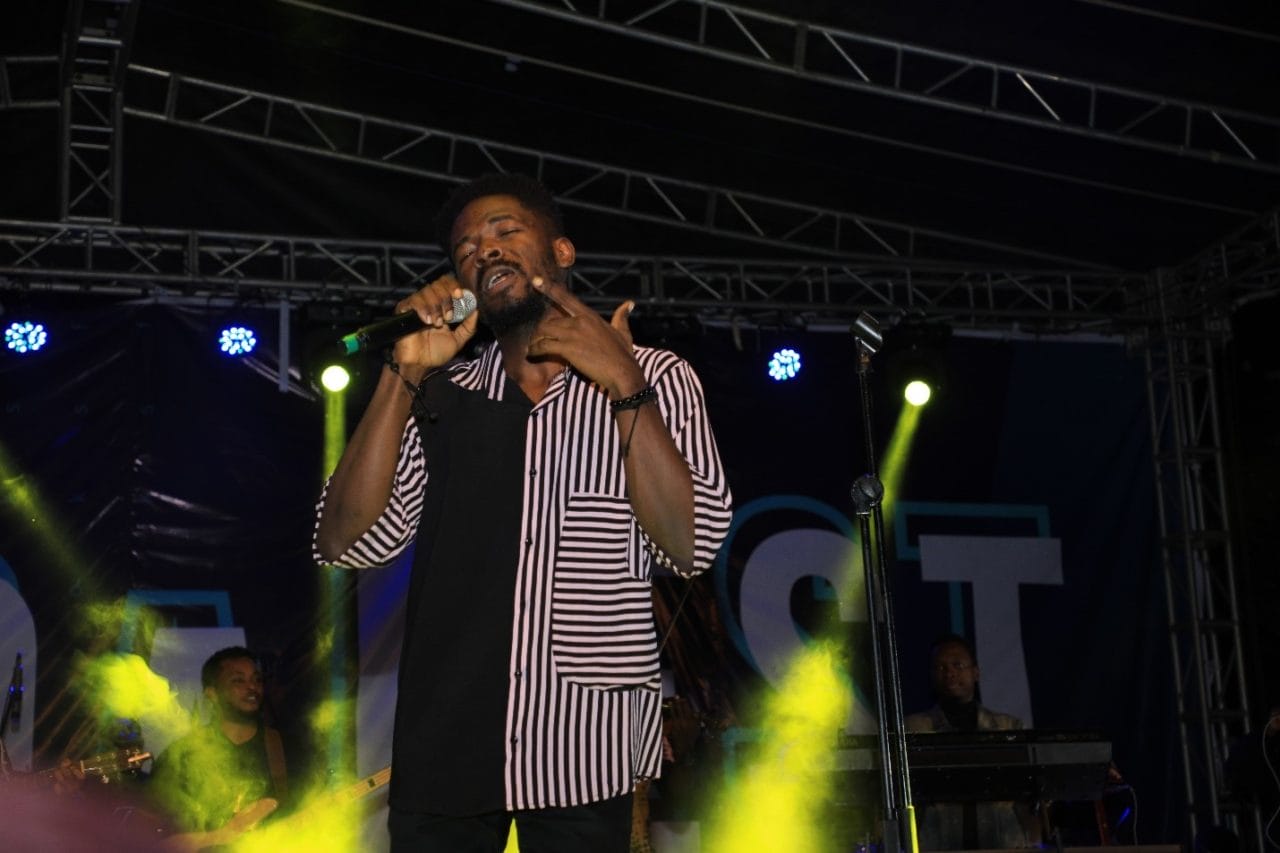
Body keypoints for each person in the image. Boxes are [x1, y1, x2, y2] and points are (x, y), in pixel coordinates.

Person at [313, 172, 733, 852]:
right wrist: (403, 373)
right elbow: (343, 541)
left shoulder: (655, 375)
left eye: (505, 231)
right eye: (465, 250)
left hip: (583, 751)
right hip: (445, 743)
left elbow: (691, 546)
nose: (484, 250)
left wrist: (624, 383)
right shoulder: (439, 395)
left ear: (562, 251)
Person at [904, 633, 1039, 850]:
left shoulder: (1008, 727)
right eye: (941, 667)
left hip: (1001, 843)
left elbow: (1028, 795)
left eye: (957, 665)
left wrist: (1033, 839)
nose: (949, 673)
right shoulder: (914, 728)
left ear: (976, 672)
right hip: (937, 843)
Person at [149, 646, 288, 849]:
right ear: (211, 694)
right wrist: (221, 836)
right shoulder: (180, 756)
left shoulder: (284, 749)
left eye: (257, 680)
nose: (252, 687)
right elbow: (154, 840)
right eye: (238, 680)